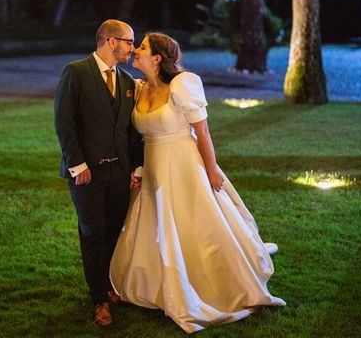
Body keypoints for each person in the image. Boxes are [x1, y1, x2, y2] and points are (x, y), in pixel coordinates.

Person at [110, 32, 285, 334]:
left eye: (142, 47)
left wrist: (212, 169)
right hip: (154, 168)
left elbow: (202, 133)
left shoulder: (182, 84)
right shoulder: (138, 89)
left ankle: (214, 279)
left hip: (185, 165)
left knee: (197, 222)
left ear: (157, 58)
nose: (135, 51)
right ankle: (154, 283)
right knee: (157, 225)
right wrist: (138, 168)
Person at [54, 19, 144, 326]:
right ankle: (99, 300)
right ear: (110, 41)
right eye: (129, 42)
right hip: (86, 175)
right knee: (92, 233)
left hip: (119, 174)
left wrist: (136, 166)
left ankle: (105, 284)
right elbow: (64, 123)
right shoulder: (76, 73)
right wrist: (77, 165)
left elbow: (132, 132)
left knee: (111, 232)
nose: (133, 48)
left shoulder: (129, 82)